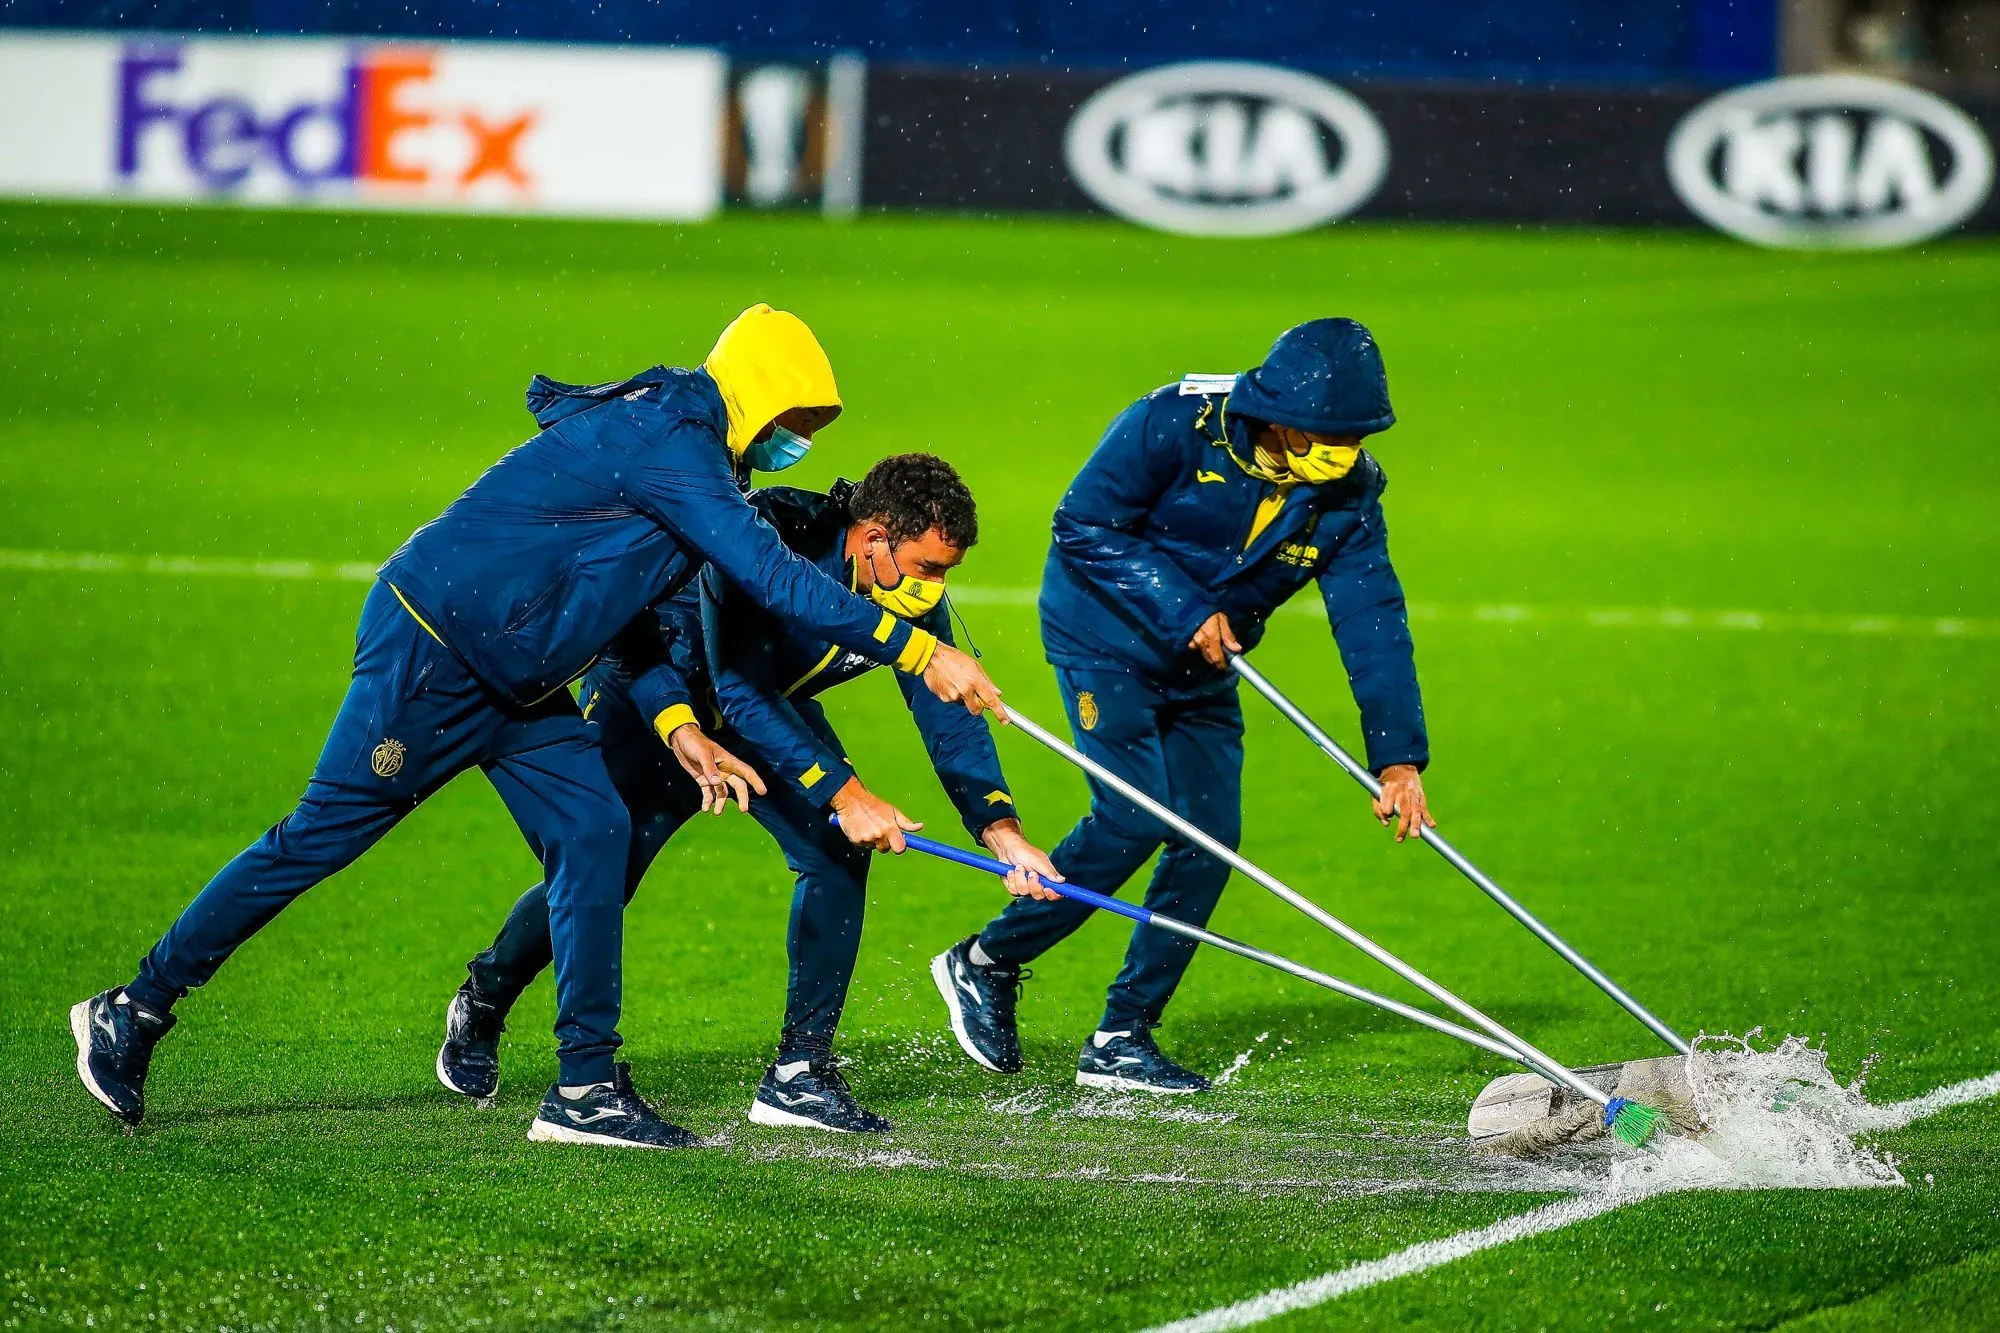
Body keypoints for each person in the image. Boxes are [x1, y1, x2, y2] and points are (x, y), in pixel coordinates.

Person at [70, 305, 1005, 1149]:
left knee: (596, 832)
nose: (799, 443)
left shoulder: (695, 453)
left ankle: (585, 1087)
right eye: (797, 422)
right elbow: (774, 576)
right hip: (435, 650)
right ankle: (135, 1006)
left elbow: (633, 604)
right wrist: (920, 652)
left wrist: (676, 724)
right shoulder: (676, 443)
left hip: (521, 676)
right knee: (317, 839)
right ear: (760, 397)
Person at [437, 454, 1062, 1134]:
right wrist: (843, 790)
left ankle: (799, 1074)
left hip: (767, 711)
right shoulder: (775, 535)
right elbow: (736, 685)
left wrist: (1001, 830)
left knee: (835, 851)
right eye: (927, 568)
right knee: (602, 874)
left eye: (946, 573)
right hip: (663, 702)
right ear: (874, 536)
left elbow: (945, 711)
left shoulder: (905, 589)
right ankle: (485, 997)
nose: (935, 589)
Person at [930, 318, 1435, 1094]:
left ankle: (1122, 1036)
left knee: (1211, 839)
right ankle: (986, 961)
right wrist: (1182, 607)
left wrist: (1397, 758)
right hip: (1104, 637)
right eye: (1335, 434)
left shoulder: (1350, 493)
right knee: (1135, 816)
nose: (1351, 451)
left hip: (1205, 660)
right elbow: (1083, 523)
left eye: (1359, 436)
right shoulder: (1173, 422)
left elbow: (1372, 617)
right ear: (1283, 421)